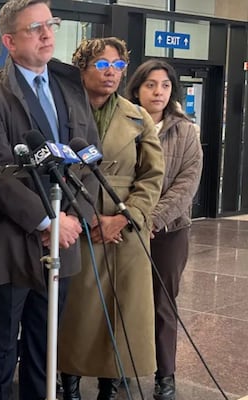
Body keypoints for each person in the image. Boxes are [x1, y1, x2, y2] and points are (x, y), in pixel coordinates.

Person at [0, 0, 101, 398]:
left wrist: (72, 221)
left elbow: (90, 158)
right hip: (10, 242)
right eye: (34, 28)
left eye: (50, 25)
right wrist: (48, 223)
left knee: (46, 346)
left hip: (65, 238)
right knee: (2, 347)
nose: (47, 35)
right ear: (8, 41)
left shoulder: (69, 87)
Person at [58, 37, 165, 400]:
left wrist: (128, 217)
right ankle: (68, 381)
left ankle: (110, 384)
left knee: (119, 315)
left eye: (118, 66)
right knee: (76, 311)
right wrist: (85, 217)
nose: (112, 73)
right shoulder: (61, 111)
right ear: (82, 68)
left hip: (125, 232)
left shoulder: (138, 117)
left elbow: (153, 176)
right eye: (103, 65)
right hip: (79, 223)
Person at [125, 59, 203, 400]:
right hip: (124, 229)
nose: (158, 92)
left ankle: (165, 376)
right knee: (122, 300)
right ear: (138, 89)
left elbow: (187, 183)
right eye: (150, 85)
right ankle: (117, 371)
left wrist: (152, 218)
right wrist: (134, 218)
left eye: (165, 85)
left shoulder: (185, 130)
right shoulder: (122, 124)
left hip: (168, 232)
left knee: (163, 305)